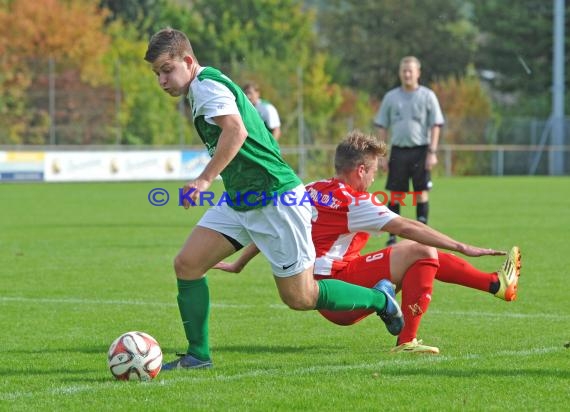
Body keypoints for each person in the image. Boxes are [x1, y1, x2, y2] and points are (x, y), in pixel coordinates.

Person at [144, 28, 406, 370]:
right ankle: (198, 356)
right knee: (187, 264)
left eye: (167, 69)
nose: (162, 80)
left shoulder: (205, 86)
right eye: (157, 74)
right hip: (243, 197)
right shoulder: (202, 86)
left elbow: (235, 131)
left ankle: (379, 298)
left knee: (302, 296)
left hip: (275, 199)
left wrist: (205, 177)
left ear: (188, 61)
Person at [214, 130, 521, 354]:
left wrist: (239, 263)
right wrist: (462, 246)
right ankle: (408, 341)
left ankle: (496, 285)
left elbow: (277, 228)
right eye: (374, 171)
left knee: (416, 257)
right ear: (360, 170)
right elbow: (407, 225)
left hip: (316, 284)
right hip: (337, 294)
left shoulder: (308, 188)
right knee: (422, 250)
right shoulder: (355, 202)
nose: (375, 178)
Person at [374, 56, 444, 246]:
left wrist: (432, 152)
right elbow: (382, 126)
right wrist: (382, 155)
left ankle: (423, 236)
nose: (407, 74)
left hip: (421, 151)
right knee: (395, 194)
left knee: (421, 193)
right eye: (404, 71)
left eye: (410, 71)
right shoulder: (391, 97)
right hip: (398, 151)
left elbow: (436, 125)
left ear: (418, 73)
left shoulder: (427, 96)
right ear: (400, 73)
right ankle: (392, 236)